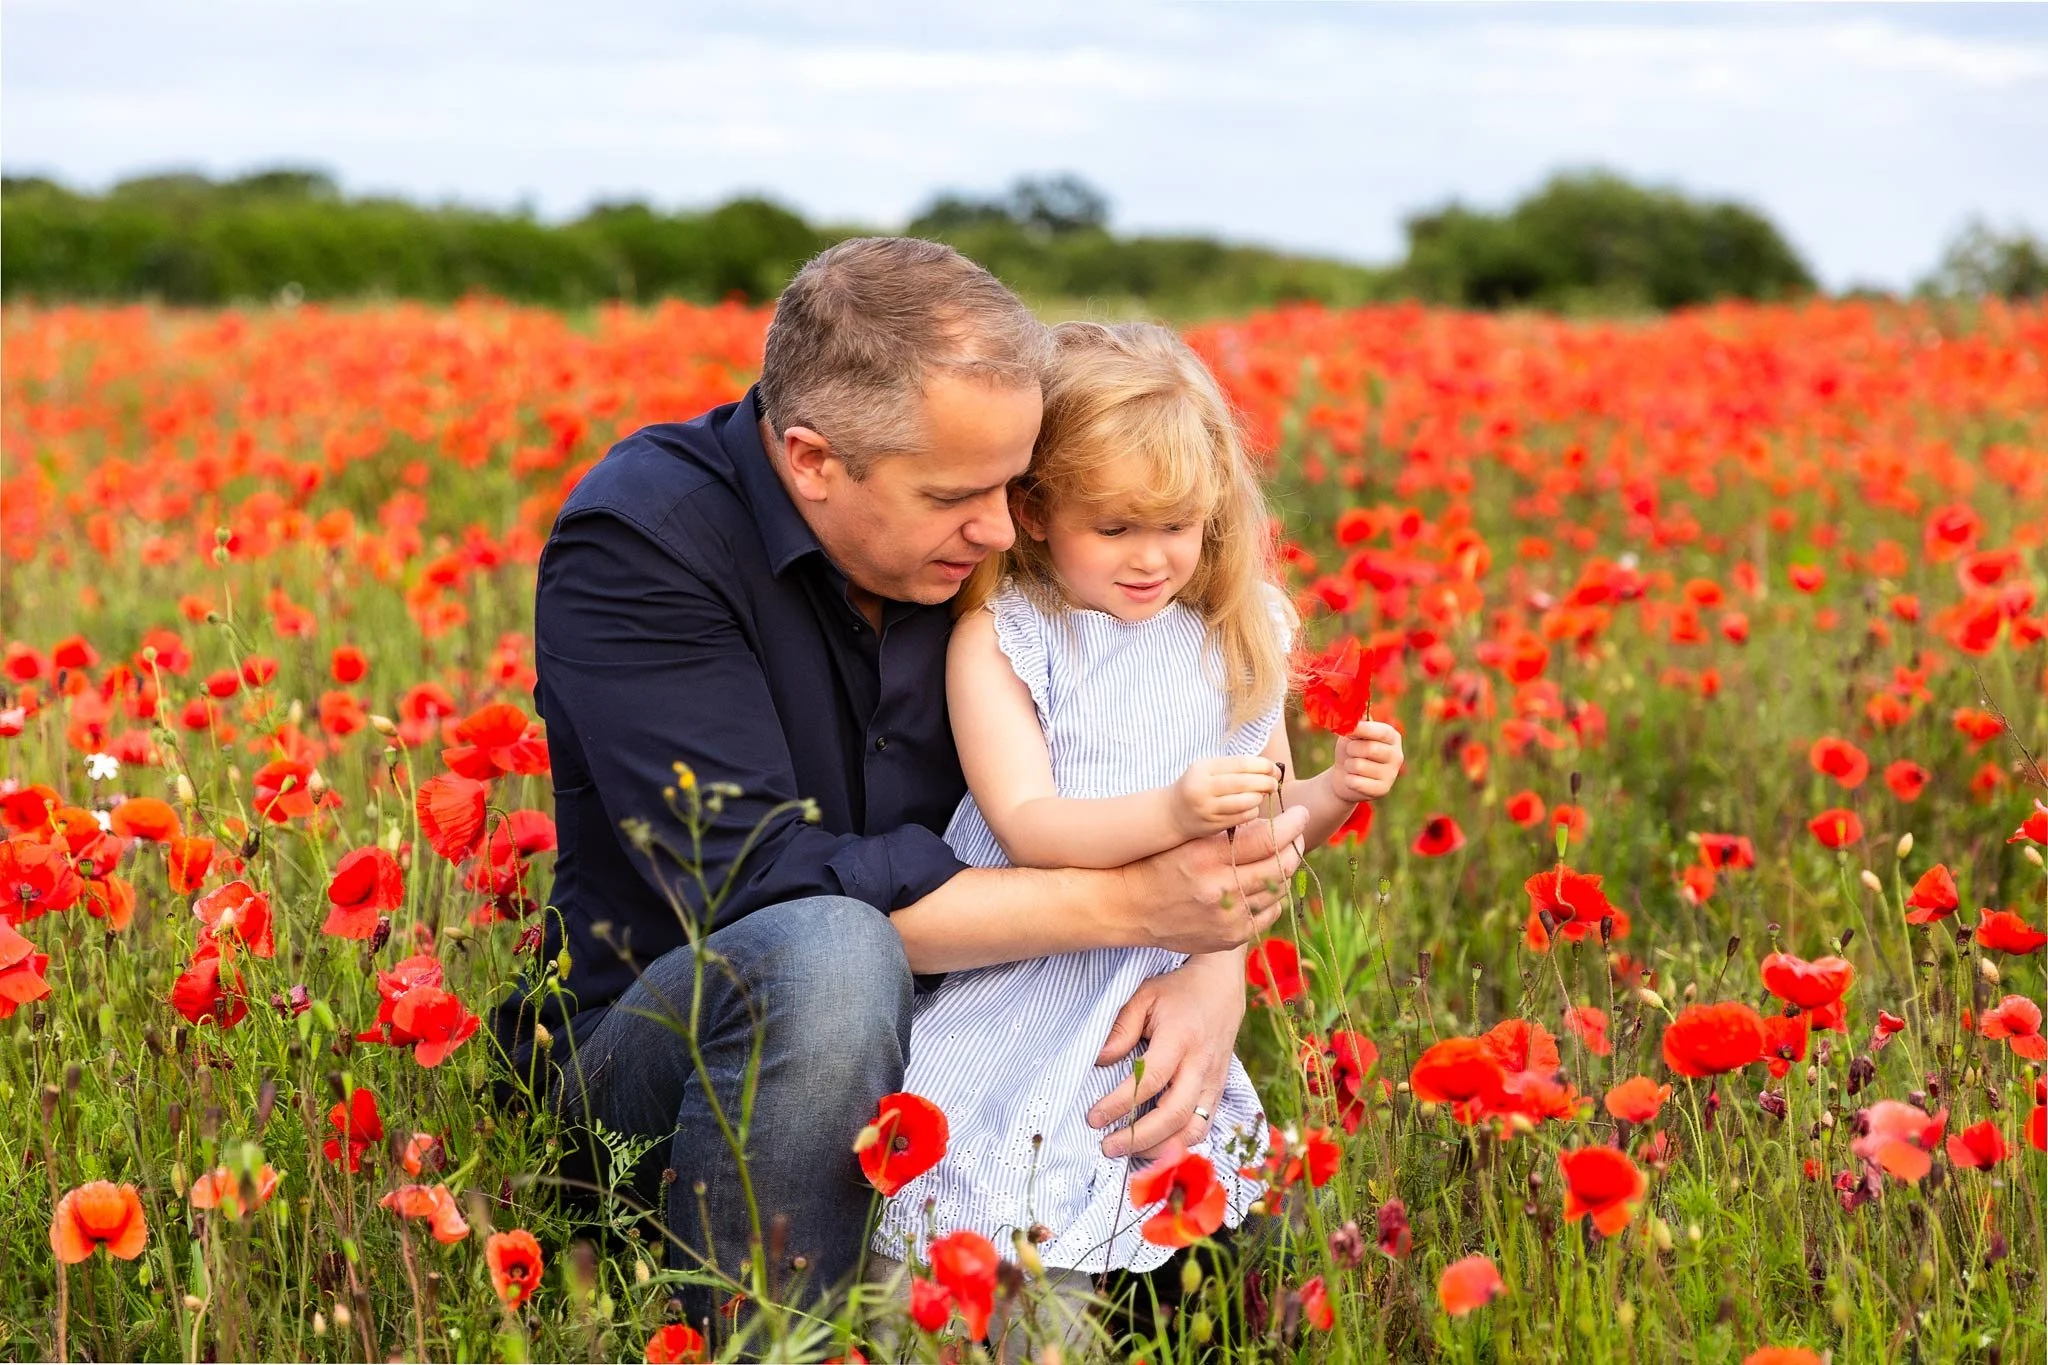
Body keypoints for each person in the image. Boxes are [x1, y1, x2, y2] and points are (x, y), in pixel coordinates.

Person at [499, 238, 1313, 1335]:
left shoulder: (985, 559)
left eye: (1015, 489)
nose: (994, 529)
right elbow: (759, 887)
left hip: (998, 1024)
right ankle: (773, 1343)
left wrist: (1214, 959)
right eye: (956, 495)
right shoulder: (644, 543)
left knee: (1238, 1282)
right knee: (834, 954)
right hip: (684, 1066)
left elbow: (1162, 753)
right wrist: (1134, 908)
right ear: (812, 460)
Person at [867, 323, 1404, 1328]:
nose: (1153, 558)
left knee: (1148, 1196)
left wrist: (1333, 793)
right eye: (1114, 528)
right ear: (1033, 513)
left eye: (1179, 527)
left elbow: (1262, 841)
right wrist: (1171, 812)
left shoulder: (1238, 632)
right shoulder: (1004, 636)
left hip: (1158, 976)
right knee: (1002, 1215)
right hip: (1027, 976)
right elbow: (1027, 825)